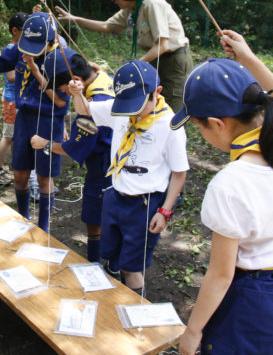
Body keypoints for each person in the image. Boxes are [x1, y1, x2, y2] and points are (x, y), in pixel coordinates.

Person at [175, 31, 273, 355]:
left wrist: (193, 330)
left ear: (218, 124)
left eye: (198, 127)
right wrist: (249, 57)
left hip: (256, 304)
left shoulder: (232, 182)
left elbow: (221, 275)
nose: (200, 134)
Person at [68, 60, 188, 294]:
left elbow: (179, 172)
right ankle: (115, 291)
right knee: (111, 253)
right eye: (128, 103)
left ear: (158, 93)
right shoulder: (120, 109)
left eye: (138, 104)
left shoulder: (170, 126)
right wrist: (77, 94)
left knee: (132, 268)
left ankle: (136, 311)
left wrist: (165, 210)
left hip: (145, 204)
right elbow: (85, 110)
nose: (132, 111)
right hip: (115, 196)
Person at [55, 0, 193, 111]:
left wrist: (135, 66)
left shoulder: (152, 3)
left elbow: (162, 45)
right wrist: (73, 18)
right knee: (152, 104)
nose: (113, 0)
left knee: (171, 108)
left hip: (173, 61)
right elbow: (107, 26)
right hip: (156, 59)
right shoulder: (131, 9)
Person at [0, 12, 71, 232]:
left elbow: (61, 103)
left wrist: (34, 69)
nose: (29, 49)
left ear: (49, 40)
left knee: (44, 177)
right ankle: (23, 219)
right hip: (24, 118)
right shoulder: (19, 48)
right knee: (20, 173)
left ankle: (43, 227)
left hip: (49, 121)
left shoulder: (61, 57)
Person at [30, 49, 114, 262]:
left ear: (76, 80)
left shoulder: (93, 106)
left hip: (104, 165)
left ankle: (97, 263)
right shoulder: (103, 79)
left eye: (63, 90)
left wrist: (45, 144)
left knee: (95, 216)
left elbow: (73, 147)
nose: (64, 94)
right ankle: (112, 262)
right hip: (119, 157)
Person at [0, 12, 28, 186]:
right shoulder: (11, 50)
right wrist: (26, 71)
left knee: (14, 136)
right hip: (12, 100)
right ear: (14, 31)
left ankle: (13, 165)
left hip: (16, 99)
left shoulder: (21, 48)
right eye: (24, 31)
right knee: (8, 136)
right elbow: (10, 76)